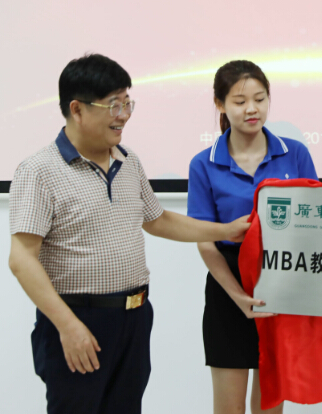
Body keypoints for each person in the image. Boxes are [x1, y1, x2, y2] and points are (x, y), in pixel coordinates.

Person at [8, 54, 251, 414]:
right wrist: (68, 325)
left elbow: (158, 220)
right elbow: (21, 259)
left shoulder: (127, 160)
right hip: (77, 319)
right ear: (77, 109)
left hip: (134, 317)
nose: (123, 115)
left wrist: (226, 229)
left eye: (127, 103)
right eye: (113, 105)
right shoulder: (39, 171)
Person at [187, 60, 318, 414]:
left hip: (283, 283)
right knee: (228, 407)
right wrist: (238, 297)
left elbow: (315, 223)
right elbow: (204, 239)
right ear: (219, 104)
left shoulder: (295, 153)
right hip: (228, 287)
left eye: (260, 99)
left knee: (270, 405)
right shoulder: (203, 163)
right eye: (240, 101)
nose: (252, 109)